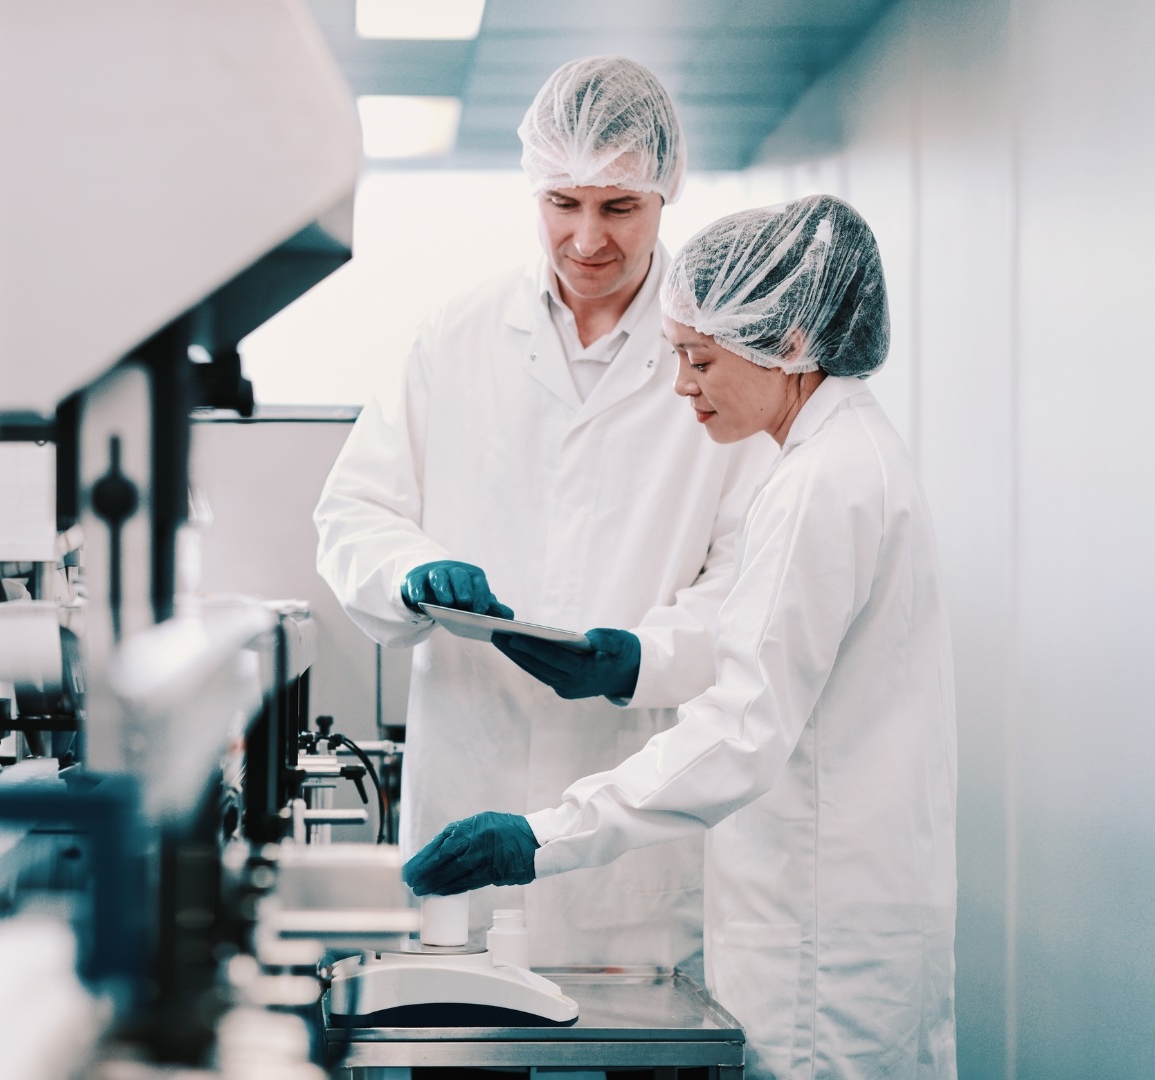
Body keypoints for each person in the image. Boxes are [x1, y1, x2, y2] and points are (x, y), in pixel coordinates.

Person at [404, 195, 958, 1080]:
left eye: (698, 359)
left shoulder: (820, 483)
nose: (681, 386)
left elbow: (743, 728)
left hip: (816, 942)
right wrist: (638, 658)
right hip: (830, 915)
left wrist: (542, 837)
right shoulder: (845, 455)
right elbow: (775, 647)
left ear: (787, 346)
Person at [313, 56, 775, 974]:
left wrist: (640, 658)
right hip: (469, 768)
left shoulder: (725, 355)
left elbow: (753, 575)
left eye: (619, 207)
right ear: (533, 190)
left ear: (666, 193)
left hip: (635, 801)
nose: (588, 238)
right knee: (462, 1036)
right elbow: (354, 510)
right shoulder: (458, 336)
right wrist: (409, 572)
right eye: (565, 203)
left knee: (643, 1041)